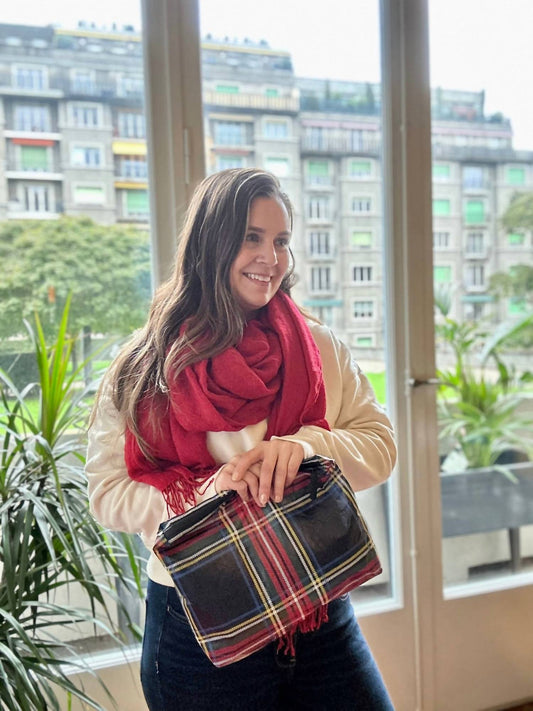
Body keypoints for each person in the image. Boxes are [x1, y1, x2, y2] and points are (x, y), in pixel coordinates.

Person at [86, 168, 397, 710]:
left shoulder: (319, 347)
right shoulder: (143, 365)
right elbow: (106, 494)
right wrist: (206, 498)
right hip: (199, 629)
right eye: (252, 237)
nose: (270, 258)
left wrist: (306, 448)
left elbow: (381, 446)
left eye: (281, 241)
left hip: (316, 607)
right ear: (212, 242)